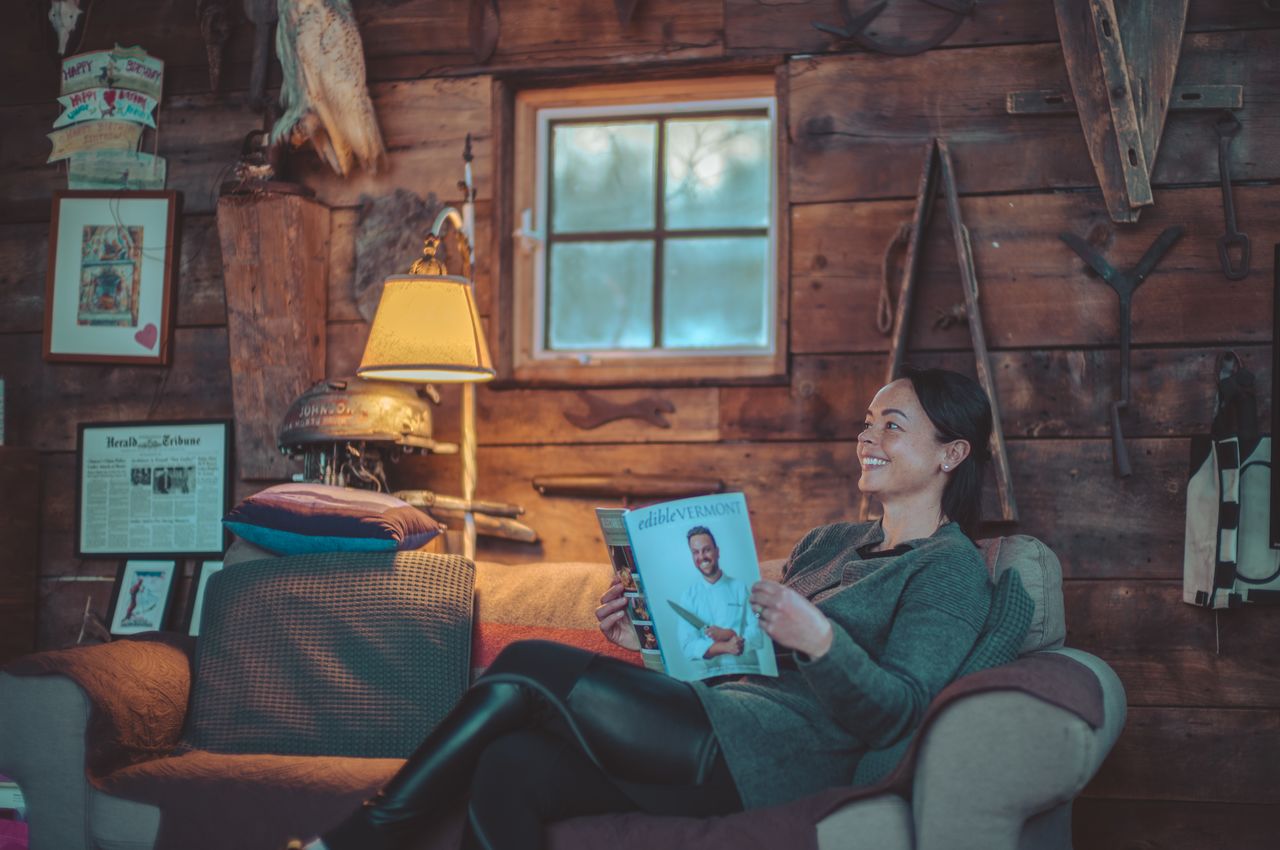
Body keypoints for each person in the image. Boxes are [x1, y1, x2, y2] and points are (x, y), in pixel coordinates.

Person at [292, 366, 998, 850]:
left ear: (951, 453)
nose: (867, 437)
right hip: (714, 720)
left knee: (528, 663)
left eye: (892, 426)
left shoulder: (949, 569)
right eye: (867, 422)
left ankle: (363, 838)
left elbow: (901, 710)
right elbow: (729, 655)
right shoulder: (832, 542)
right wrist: (647, 636)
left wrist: (821, 641)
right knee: (510, 764)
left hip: (772, 755)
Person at [675, 526, 761, 661]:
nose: (702, 556)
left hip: (746, 668)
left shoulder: (740, 587)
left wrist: (730, 634)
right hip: (711, 677)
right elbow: (688, 646)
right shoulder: (688, 596)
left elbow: (758, 631)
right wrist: (725, 647)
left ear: (717, 552)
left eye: (707, 550)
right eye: (696, 552)